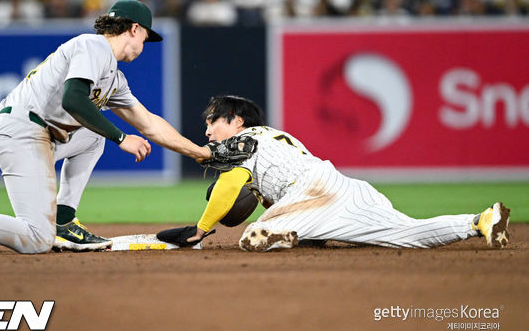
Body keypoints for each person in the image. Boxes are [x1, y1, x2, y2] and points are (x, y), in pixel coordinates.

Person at [0, 0, 211, 255]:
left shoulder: (113, 77)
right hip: (19, 131)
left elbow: (150, 125)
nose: (145, 43)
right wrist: (120, 138)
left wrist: (200, 153)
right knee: (37, 239)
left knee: (93, 136)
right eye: (146, 36)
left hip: (38, 134)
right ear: (134, 28)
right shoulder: (94, 46)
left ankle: (64, 220)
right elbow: (74, 100)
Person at [184, 95, 511, 252]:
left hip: (311, 190)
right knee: (407, 234)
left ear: (237, 121)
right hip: (343, 187)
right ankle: (478, 221)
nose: (208, 129)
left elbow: (229, 182)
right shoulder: (275, 138)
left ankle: (275, 233)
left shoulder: (245, 139)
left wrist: (201, 230)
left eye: (213, 121)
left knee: (250, 238)